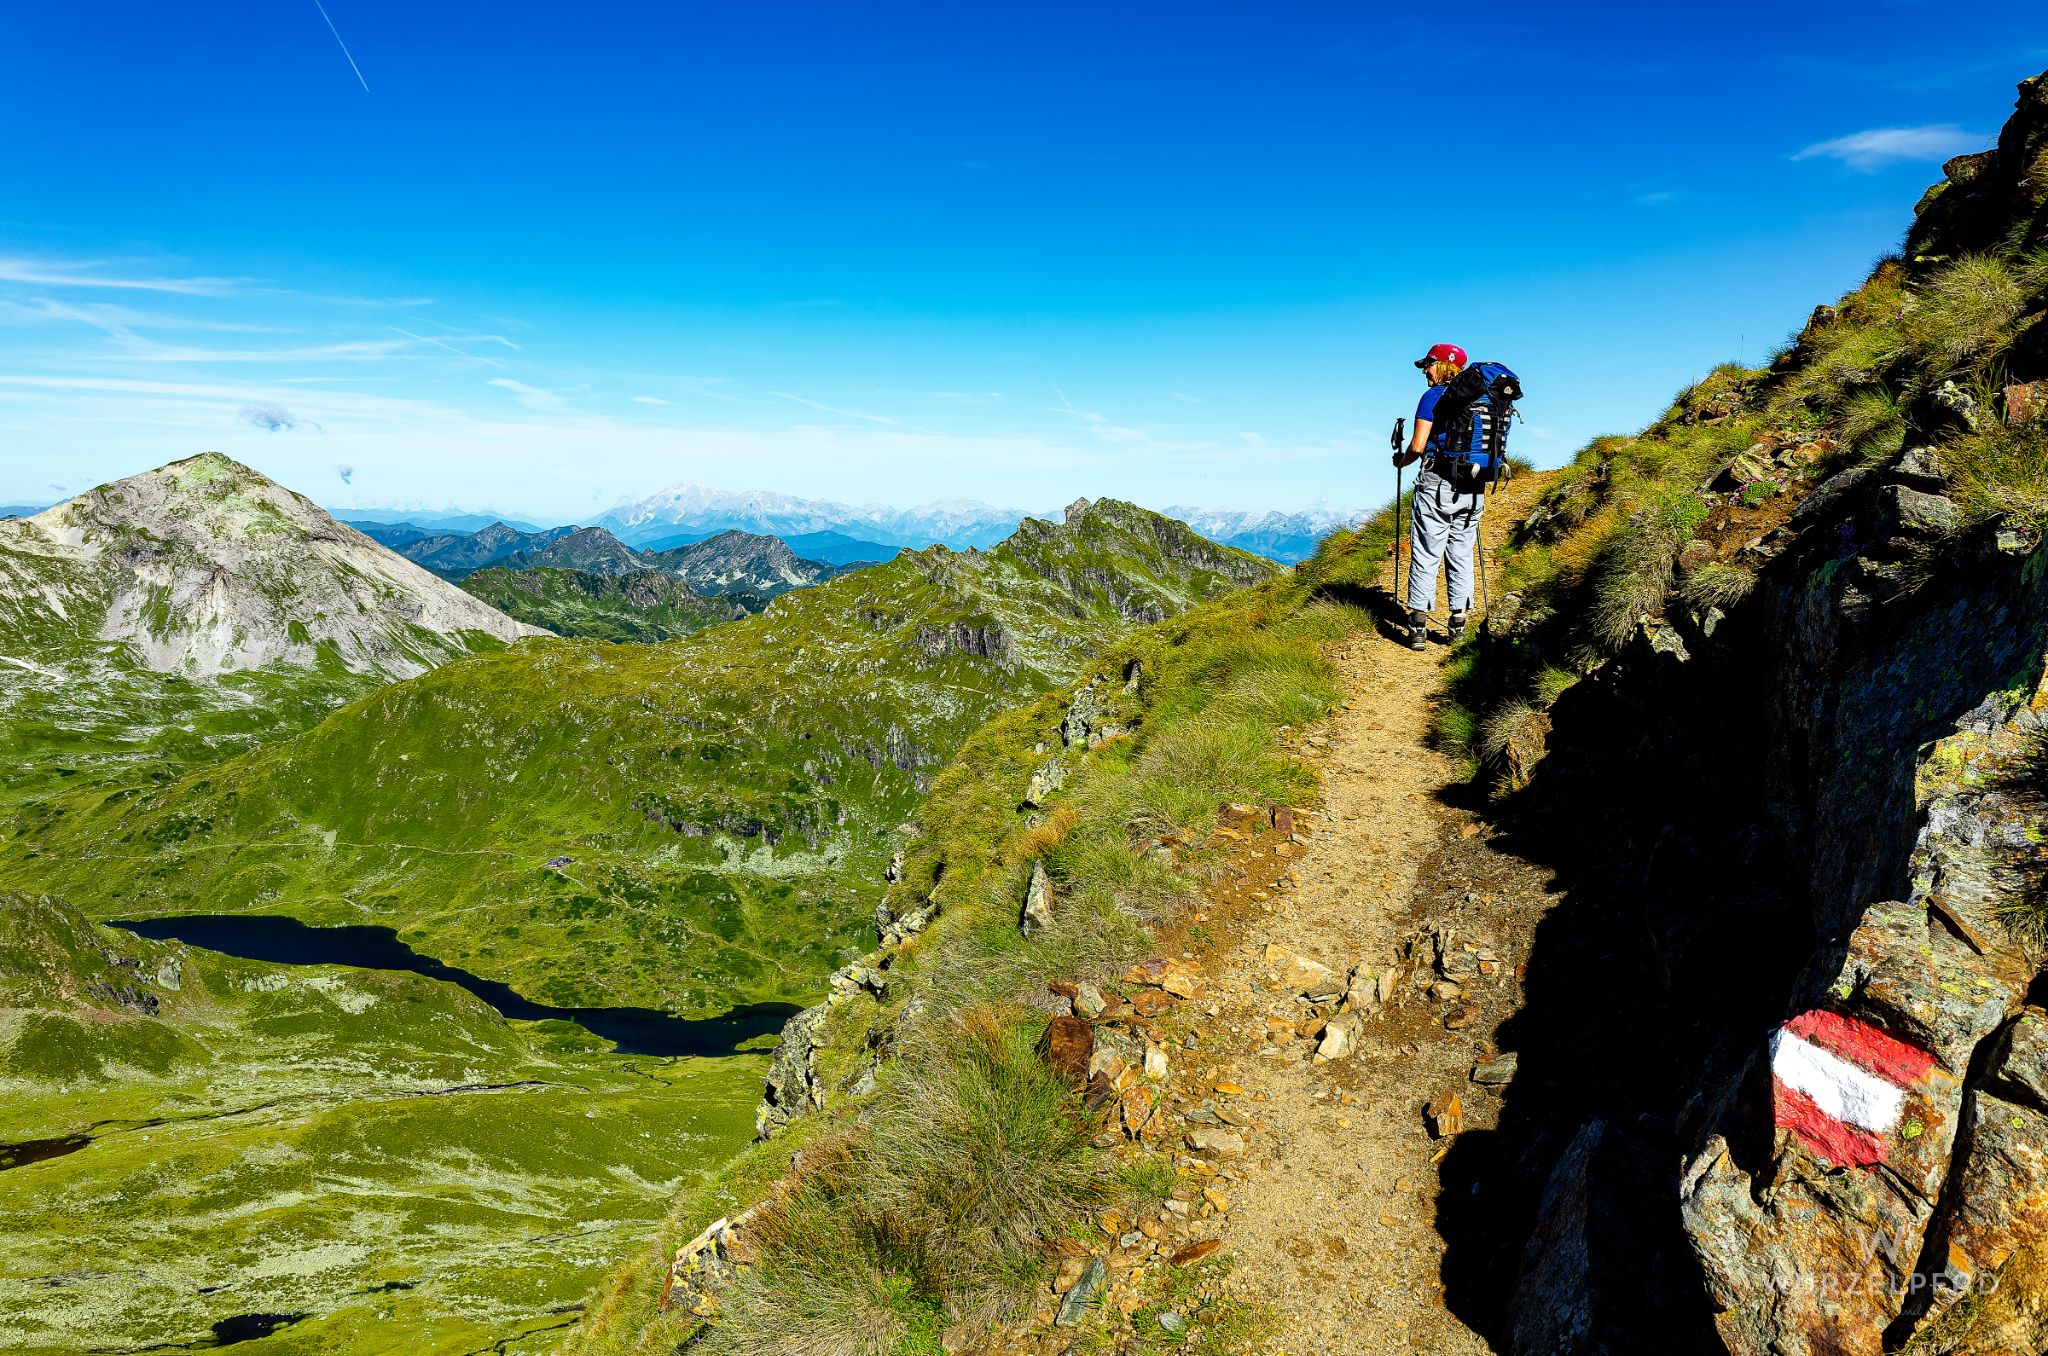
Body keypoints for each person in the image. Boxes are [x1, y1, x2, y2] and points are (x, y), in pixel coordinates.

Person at [1392, 342, 1488, 651]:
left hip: (1437, 483)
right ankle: (1458, 624)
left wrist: (1401, 462)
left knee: (1426, 551)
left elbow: (1418, 446)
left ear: (1444, 365)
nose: (1425, 371)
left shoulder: (1433, 396)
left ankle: (1418, 625)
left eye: (1429, 364)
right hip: (1474, 486)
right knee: (1461, 553)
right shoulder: (1483, 398)